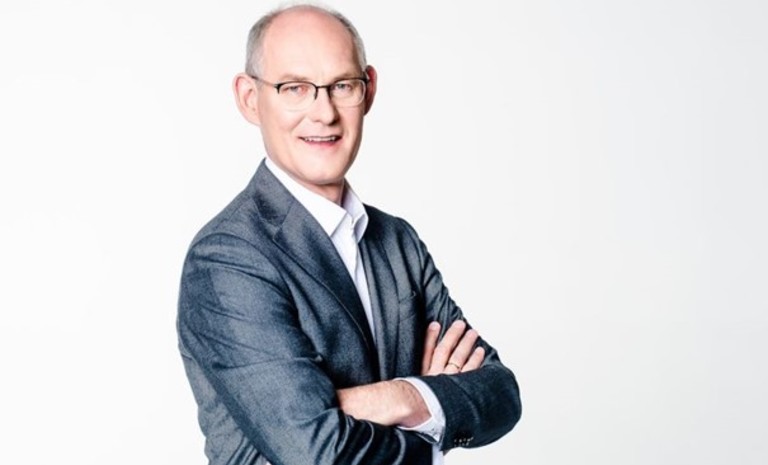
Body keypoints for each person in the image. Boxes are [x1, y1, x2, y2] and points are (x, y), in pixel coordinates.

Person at [177, 4, 521, 464]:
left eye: (342, 86)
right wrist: (433, 415)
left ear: (369, 90)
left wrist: (400, 396)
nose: (324, 113)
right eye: (294, 88)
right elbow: (318, 453)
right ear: (250, 98)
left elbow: (501, 393)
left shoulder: (397, 242)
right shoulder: (227, 259)